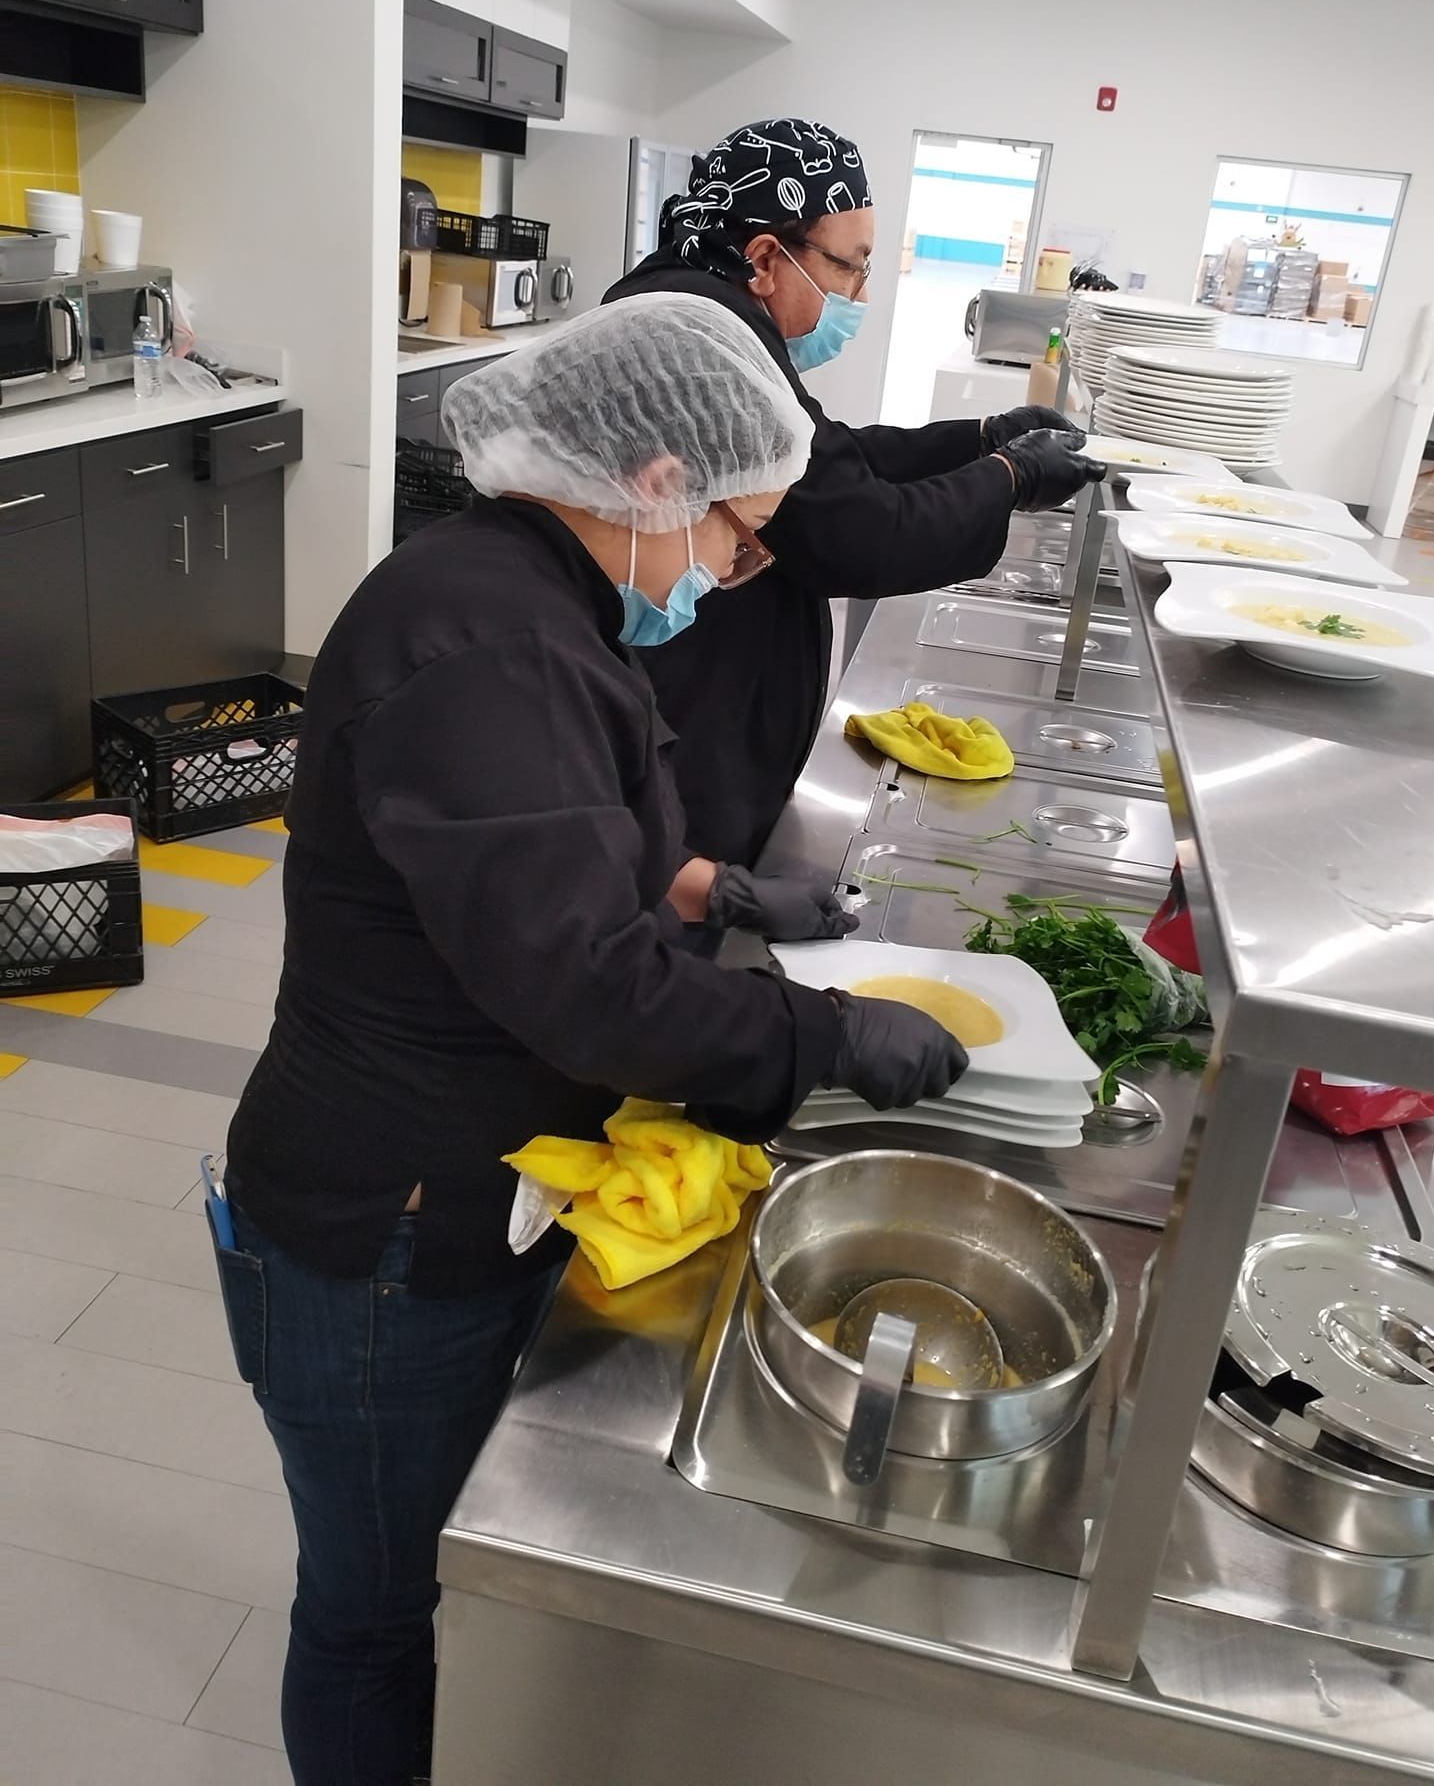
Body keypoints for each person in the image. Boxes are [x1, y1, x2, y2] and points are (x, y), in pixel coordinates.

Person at [218, 294, 968, 1786]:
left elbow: (535, 842)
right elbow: (585, 982)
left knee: (410, 1580)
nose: (734, 571)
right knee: (373, 1609)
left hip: (463, 1173)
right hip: (382, 1225)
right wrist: (816, 1037)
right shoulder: (490, 642)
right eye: (735, 536)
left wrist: (712, 886)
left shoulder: (521, 596)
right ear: (652, 480)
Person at [604, 117, 1107, 871]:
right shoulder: (708, 355)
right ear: (769, 257)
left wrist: (976, 438)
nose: (860, 295)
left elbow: (824, 459)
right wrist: (1012, 477)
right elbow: (861, 534)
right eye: (851, 268)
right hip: (689, 709)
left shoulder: (706, 314)